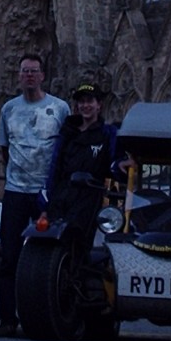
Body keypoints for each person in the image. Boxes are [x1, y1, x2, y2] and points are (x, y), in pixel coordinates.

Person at [0, 53, 69, 336]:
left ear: (42, 75)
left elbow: (63, 150)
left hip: (45, 194)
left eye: (34, 71)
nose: (29, 76)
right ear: (19, 75)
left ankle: (42, 317)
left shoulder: (59, 108)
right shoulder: (8, 109)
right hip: (15, 191)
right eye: (24, 71)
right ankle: (7, 319)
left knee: (45, 258)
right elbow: (5, 150)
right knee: (9, 256)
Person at [43, 83, 118, 241]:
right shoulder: (68, 132)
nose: (85, 105)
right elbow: (55, 166)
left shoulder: (107, 134)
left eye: (90, 101)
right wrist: (47, 197)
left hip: (89, 196)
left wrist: (121, 164)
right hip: (63, 193)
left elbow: (114, 161)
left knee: (78, 239)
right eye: (82, 102)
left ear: (99, 105)